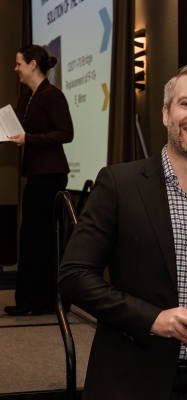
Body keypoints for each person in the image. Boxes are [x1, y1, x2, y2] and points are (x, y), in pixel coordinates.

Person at [58, 64, 187, 400]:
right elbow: (74, 275)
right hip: (132, 377)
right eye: (186, 103)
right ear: (166, 113)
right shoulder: (119, 184)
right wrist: (153, 319)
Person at [4, 45, 73, 316]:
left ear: (33, 65)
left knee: (40, 239)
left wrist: (28, 139)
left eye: (19, 63)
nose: (16, 69)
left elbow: (66, 133)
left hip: (50, 176)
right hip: (36, 174)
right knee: (32, 237)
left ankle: (40, 302)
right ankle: (32, 301)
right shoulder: (28, 97)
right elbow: (19, 127)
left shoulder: (52, 95)